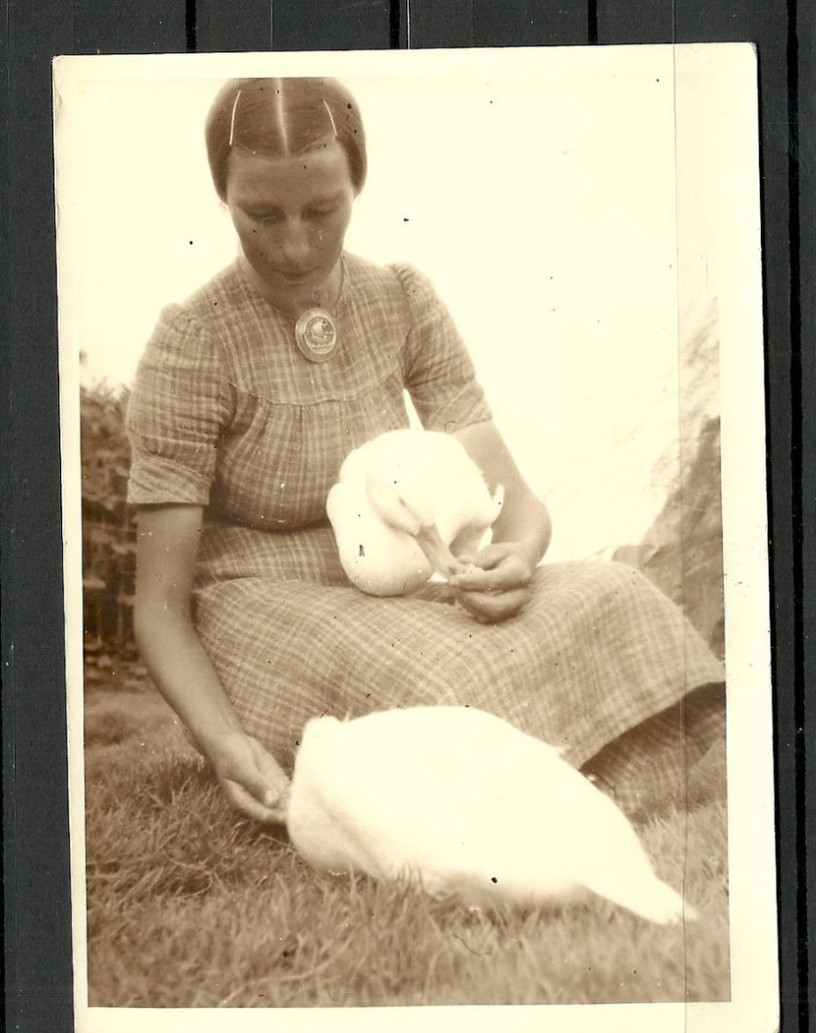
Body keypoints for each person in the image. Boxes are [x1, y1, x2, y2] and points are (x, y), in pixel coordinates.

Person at [127, 76, 725, 826]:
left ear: (358, 184)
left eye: (322, 209)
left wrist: (518, 557)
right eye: (260, 215)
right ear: (224, 196)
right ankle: (593, 792)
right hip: (255, 601)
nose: (295, 243)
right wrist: (223, 742)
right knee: (449, 675)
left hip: (401, 577)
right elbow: (158, 606)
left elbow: (516, 505)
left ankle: (588, 792)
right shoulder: (193, 342)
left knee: (621, 593)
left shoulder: (402, 299)